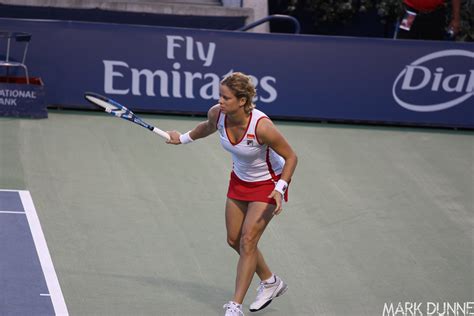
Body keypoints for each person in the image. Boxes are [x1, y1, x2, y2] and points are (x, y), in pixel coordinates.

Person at [166, 72, 298, 316]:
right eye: (220, 96)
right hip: (239, 180)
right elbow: (206, 128)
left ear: (242, 100)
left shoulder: (262, 126)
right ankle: (270, 282)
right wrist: (181, 139)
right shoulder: (217, 114)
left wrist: (281, 188)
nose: (221, 101)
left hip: (267, 184)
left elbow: (291, 157)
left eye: (226, 98)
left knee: (248, 241)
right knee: (234, 239)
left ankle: (235, 306)